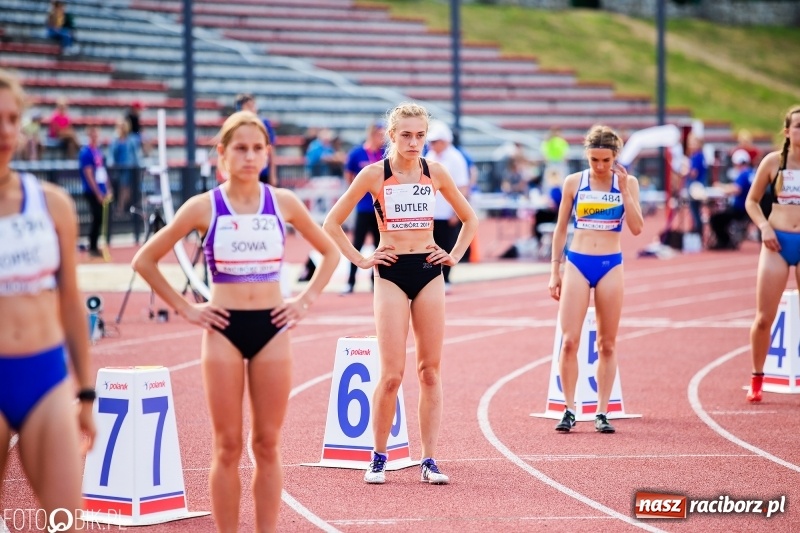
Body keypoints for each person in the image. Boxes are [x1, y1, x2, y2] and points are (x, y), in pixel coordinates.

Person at [131, 110, 338, 531]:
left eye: (257, 148)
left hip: (272, 329)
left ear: (267, 153)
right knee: (226, 446)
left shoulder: (283, 202)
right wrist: (188, 308)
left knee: (267, 444)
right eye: (240, 148)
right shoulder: (203, 207)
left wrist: (305, 301)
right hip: (223, 330)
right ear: (222, 154)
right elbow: (144, 260)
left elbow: (331, 252)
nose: (249, 156)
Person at [323, 102, 478, 485]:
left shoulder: (435, 172)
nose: (414, 142)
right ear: (391, 135)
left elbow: (469, 218)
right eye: (406, 135)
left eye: (420, 135)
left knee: (430, 371)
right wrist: (361, 260)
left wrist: (454, 255)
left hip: (428, 272)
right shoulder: (374, 174)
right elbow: (332, 222)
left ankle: (429, 459)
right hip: (390, 274)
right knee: (391, 375)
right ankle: (378, 457)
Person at [0, 68, 96, 528]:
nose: (4, 131)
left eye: (11, 119)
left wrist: (87, 392)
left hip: (45, 378)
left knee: (65, 520)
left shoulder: (52, 204)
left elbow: (71, 302)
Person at [548, 124, 643, 434]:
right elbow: (560, 228)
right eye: (594, 160)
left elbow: (637, 228)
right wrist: (555, 270)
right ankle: (569, 409)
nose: (600, 166)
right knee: (569, 341)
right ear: (586, 157)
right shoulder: (574, 182)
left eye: (606, 160)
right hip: (577, 262)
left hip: (610, 265)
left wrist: (625, 190)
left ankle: (602, 411)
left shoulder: (628, 183)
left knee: (607, 343)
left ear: (616, 157)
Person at [742, 105, 800, 403]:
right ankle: (757, 377)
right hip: (777, 242)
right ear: (787, 131)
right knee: (765, 317)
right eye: (798, 126)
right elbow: (751, 201)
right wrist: (764, 227)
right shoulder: (773, 162)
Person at [424, 120, 471, 291]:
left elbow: (462, 187)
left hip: (446, 212)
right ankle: (431, 277)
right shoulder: (429, 157)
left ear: (444, 141)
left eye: (435, 141)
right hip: (430, 213)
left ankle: (446, 278)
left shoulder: (455, 158)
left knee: (446, 245)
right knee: (429, 246)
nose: (431, 144)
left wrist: (455, 212)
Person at [342, 120, 385, 294]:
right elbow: (348, 175)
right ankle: (350, 281)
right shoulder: (357, 153)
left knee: (379, 246)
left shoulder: (385, 153)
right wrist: (357, 193)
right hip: (363, 207)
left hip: (380, 208)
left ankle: (376, 282)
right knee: (357, 244)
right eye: (380, 135)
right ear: (372, 134)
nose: (382, 138)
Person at [708, 149, 753, 250]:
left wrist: (721, 187)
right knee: (720, 216)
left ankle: (724, 241)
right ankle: (725, 241)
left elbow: (736, 189)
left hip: (740, 209)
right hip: (746, 208)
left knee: (715, 219)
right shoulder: (751, 173)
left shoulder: (744, 174)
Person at [78, 125, 112, 258]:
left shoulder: (98, 151)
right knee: (97, 217)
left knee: (100, 219)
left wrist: (108, 188)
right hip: (91, 190)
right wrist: (97, 192)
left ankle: (95, 246)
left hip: (101, 189)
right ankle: (92, 247)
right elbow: (89, 174)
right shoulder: (85, 153)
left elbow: (102, 171)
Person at [235, 93, 277, 186]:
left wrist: (273, 174)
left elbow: (271, 150)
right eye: (248, 106)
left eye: (253, 105)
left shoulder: (264, 123)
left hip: (262, 172)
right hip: (241, 172)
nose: (252, 108)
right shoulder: (234, 125)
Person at [109, 117, 139, 218]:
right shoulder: (115, 140)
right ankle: (122, 208)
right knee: (121, 189)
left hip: (128, 169)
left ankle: (121, 208)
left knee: (125, 188)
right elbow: (111, 154)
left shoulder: (131, 140)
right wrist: (111, 163)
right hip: (118, 169)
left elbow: (135, 155)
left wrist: (137, 165)